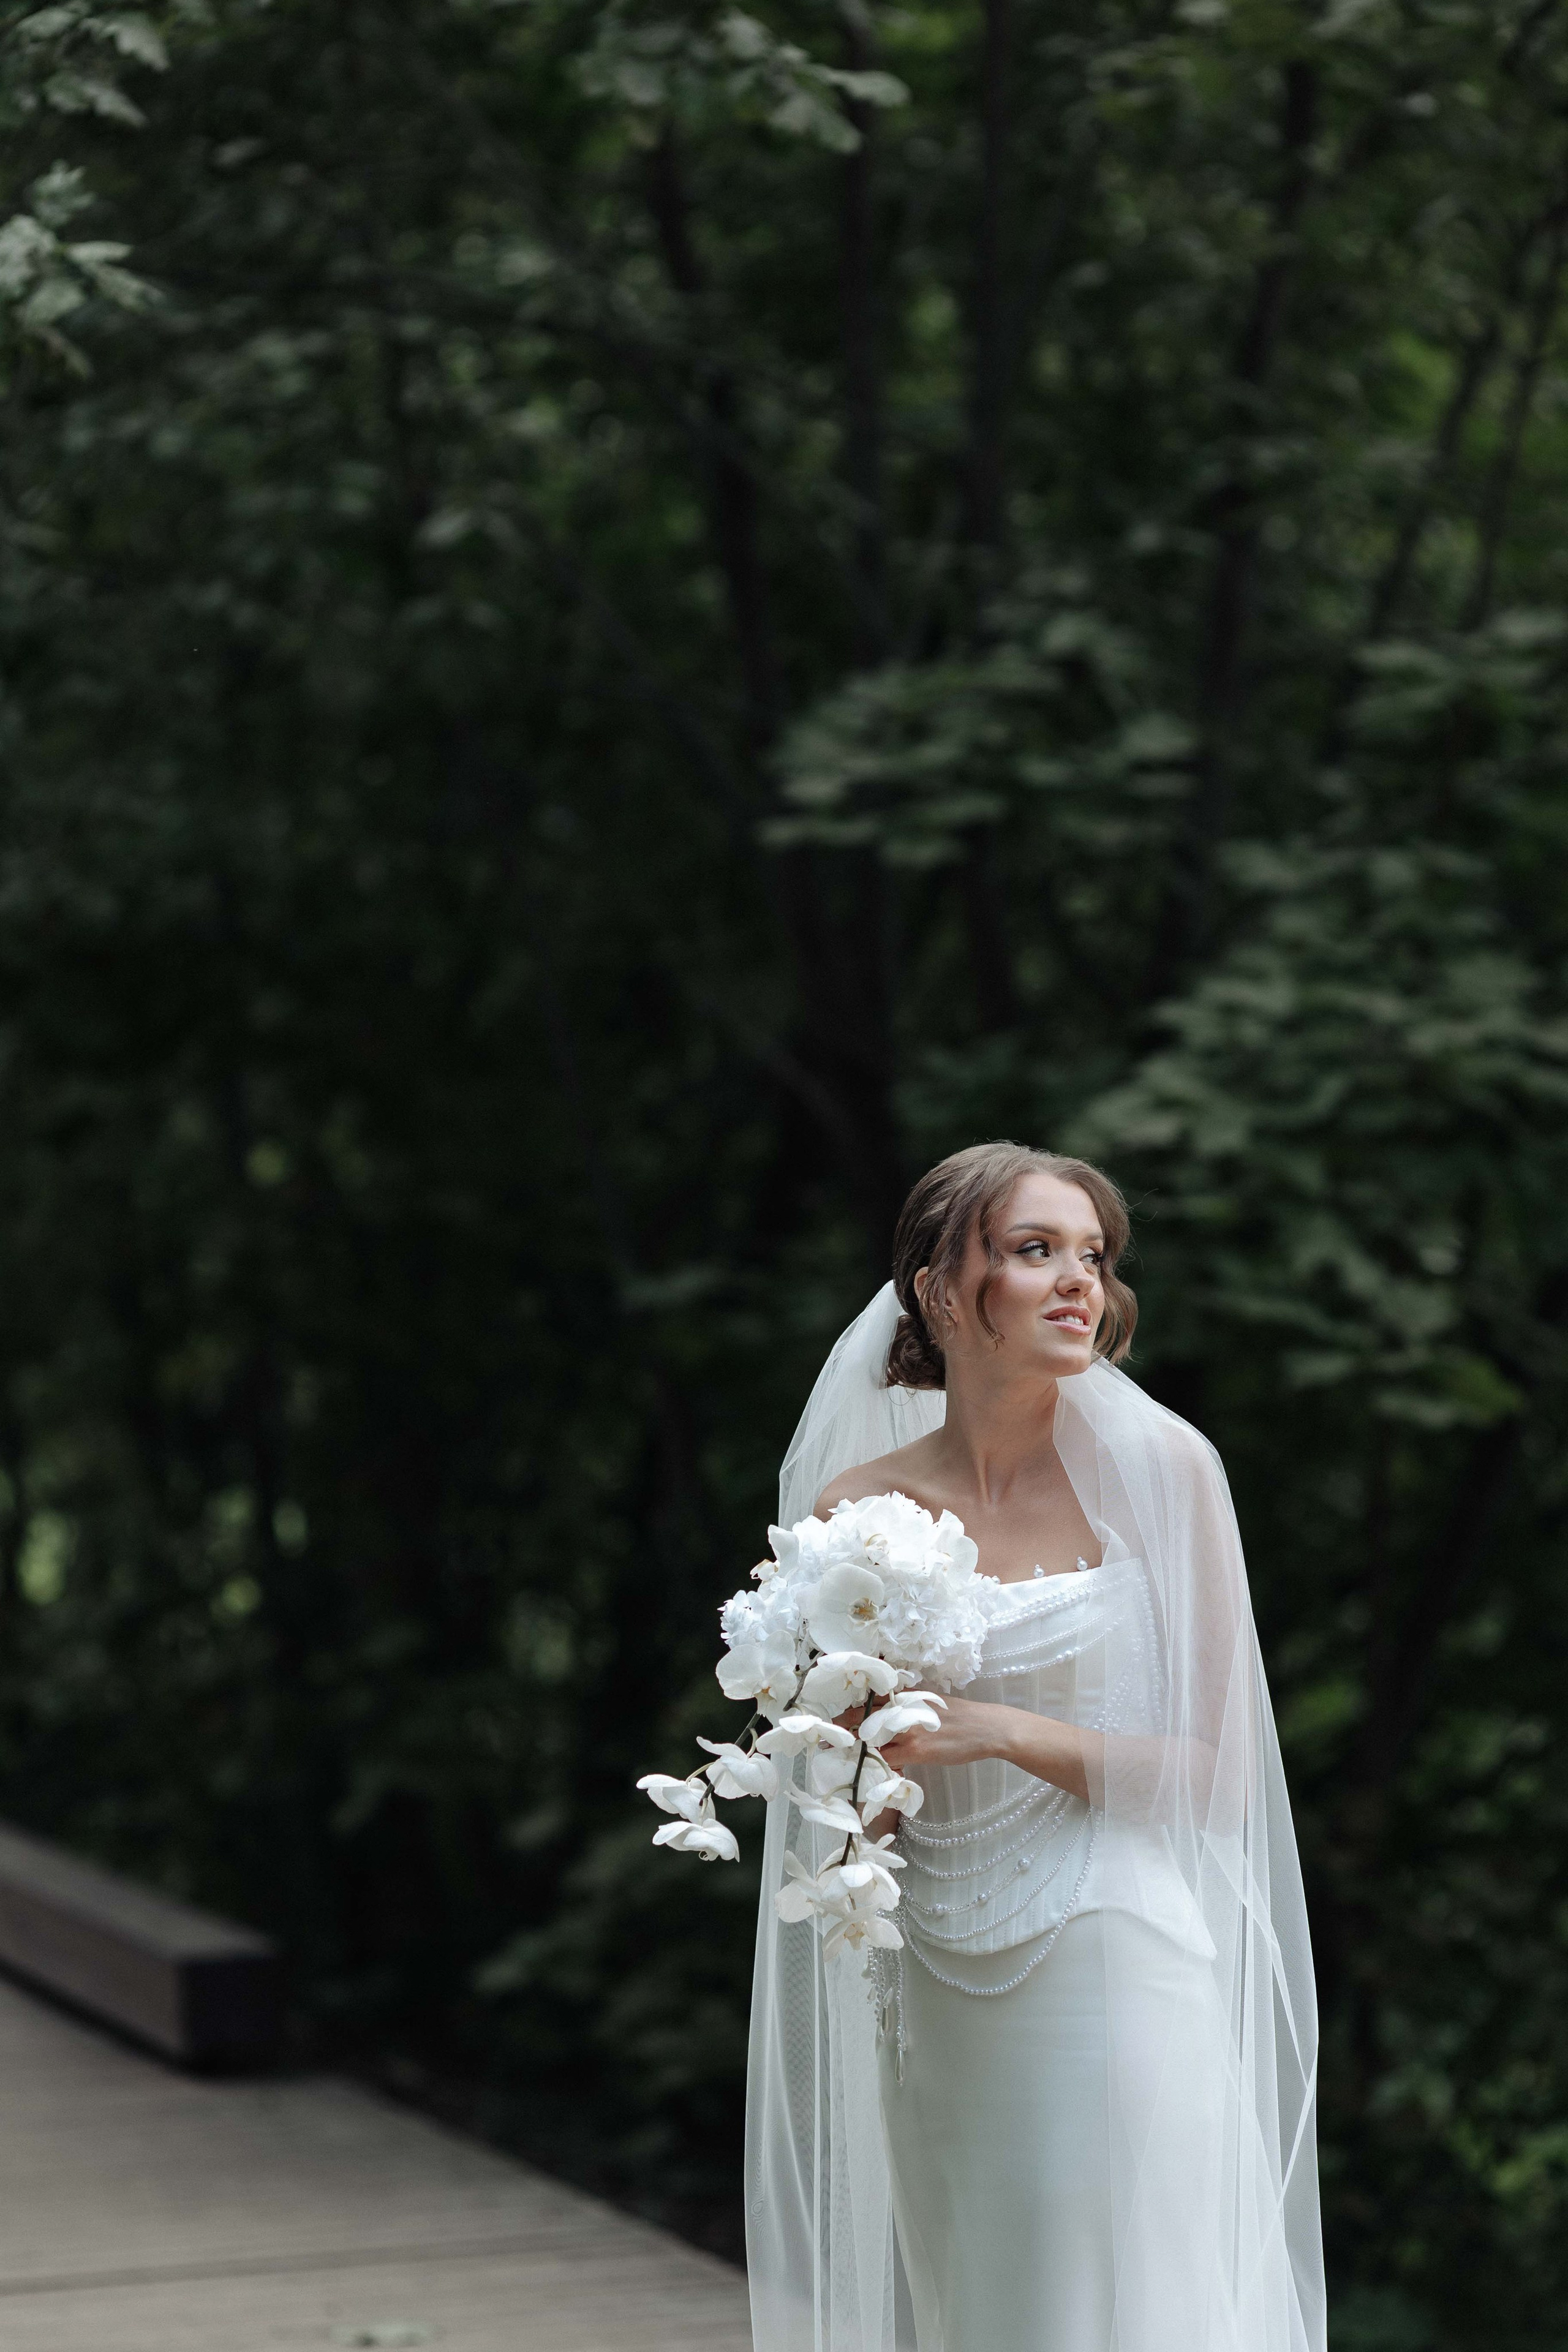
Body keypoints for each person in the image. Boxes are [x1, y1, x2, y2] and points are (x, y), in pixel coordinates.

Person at [745, 1142, 1324, 2352]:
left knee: (1107, 2299)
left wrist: (998, 1730)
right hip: (928, 1972)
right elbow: (852, 1783)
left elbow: (1213, 1778)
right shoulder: (856, 1511)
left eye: (1093, 1257)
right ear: (942, 1292)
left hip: (1109, 1946)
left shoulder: (1166, 1472)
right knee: (977, 2302)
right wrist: (865, 1764)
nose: (1080, 1284)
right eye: (1033, 1251)